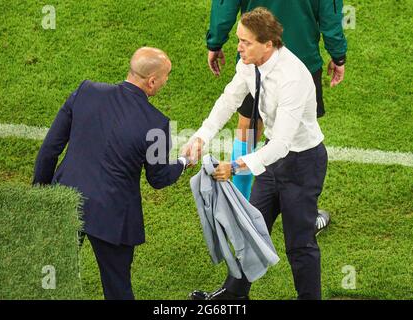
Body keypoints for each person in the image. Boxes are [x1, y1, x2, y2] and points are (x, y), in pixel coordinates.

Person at [183, 8, 328, 300]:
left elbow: (283, 143)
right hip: (272, 160)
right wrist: (201, 137)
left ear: (269, 43)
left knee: (299, 244)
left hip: (302, 163)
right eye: (238, 40)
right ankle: (234, 294)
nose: (238, 47)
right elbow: (228, 99)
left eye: (245, 42)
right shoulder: (249, 64)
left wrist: (236, 167)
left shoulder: (293, 78)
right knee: (247, 227)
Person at [33, 47, 190, 300]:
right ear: (152, 81)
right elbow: (158, 178)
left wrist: (40, 195)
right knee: (118, 290)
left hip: (65, 200)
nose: (166, 81)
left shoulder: (86, 91)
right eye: (166, 76)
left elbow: (50, 149)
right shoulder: (157, 124)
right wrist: (184, 161)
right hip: (113, 216)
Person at [206, 0, 347, 233]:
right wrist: (338, 54)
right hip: (302, 56)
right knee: (295, 135)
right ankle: (303, 214)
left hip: (257, 55)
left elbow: (226, 4)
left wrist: (216, 40)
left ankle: (240, 208)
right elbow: (330, 12)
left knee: (248, 126)